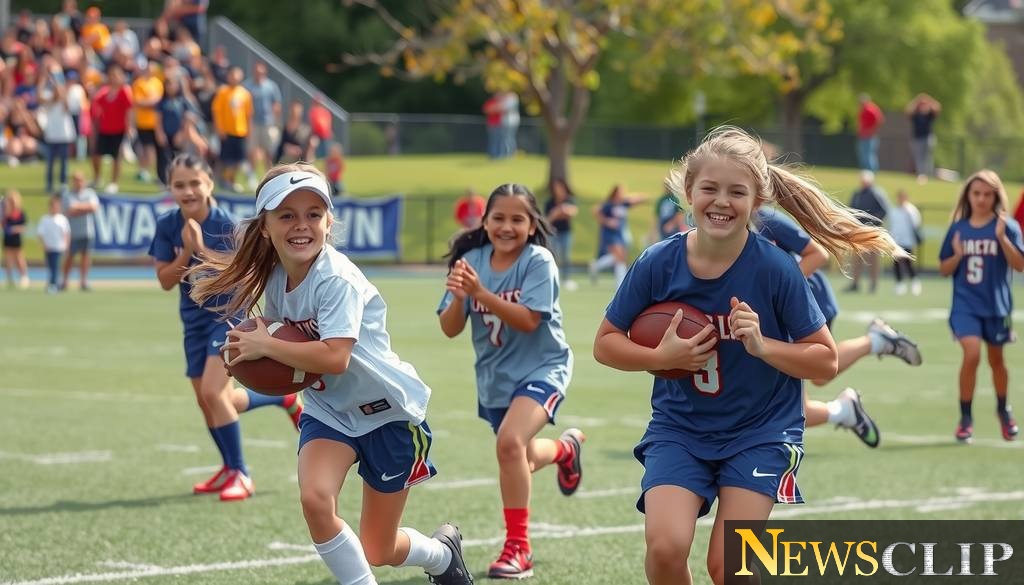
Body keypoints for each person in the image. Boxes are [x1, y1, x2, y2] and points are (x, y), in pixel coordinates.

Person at [592, 127, 904, 585]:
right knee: (664, 549)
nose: (721, 202)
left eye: (737, 192)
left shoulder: (775, 269)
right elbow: (605, 343)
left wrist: (763, 346)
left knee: (730, 566)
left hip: (760, 431)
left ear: (757, 201)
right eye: (710, 189)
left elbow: (825, 360)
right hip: (681, 428)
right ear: (688, 193)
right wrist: (659, 356)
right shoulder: (658, 262)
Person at [188, 162, 473, 585]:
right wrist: (245, 357)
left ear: (329, 221)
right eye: (287, 215)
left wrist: (264, 346)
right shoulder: (271, 275)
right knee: (316, 499)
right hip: (330, 412)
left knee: (380, 548)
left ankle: (441, 555)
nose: (301, 225)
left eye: (313, 214)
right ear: (264, 226)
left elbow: (336, 357)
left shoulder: (336, 279)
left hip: (388, 415)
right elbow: (281, 349)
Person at [438, 183, 585, 580]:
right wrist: (458, 298)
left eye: (517, 218)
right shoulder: (470, 261)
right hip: (496, 378)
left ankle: (519, 548)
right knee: (514, 453)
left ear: (532, 223)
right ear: (484, 222)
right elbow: (450, 328)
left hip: (544, 369)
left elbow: (528, 319)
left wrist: (480, 291)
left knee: (508, 444)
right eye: (498, 217)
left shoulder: (538, 261)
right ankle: (564, 451)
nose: (507, 226)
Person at [148, 154, 304, 501]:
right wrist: (185, 250)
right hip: (193, 321)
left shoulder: (230, 226)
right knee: (212, 401)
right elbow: (164, 280)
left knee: (212, 394)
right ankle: (281, 398)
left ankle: (241, 473)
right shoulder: (167, 225)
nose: (188, 191)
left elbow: (238, 276)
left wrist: (199, 248)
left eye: (195, 183)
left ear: (210, 184)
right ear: (170, 188)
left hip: (228, 316)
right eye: (179, 185)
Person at [757, 206, 922, 449]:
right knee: (808, 388)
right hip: (777, 311)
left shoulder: (763, 218)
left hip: (806, 301)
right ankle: (846, 407)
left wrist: (775, 292)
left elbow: (818, 254)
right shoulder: (712, 229)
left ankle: (873, 346)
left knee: (803, 388)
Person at [939, 169, 1024, 443]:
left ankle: (1003, 409)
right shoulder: (958, 228)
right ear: (968, 195)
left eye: (988, 194)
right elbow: (944, 268)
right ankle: (966, 417)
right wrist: (958, 256)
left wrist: (1001, 238)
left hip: (997, 307)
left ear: (996, 196)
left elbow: (1019, 265)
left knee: (996, 361)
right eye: (976, 193)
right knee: (972, 353)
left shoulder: (1007, 226)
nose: (981, 199)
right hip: (965, 306)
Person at [589, 184, 647, 287]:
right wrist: (607, 221)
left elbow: (638, 199)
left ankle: (596, 266)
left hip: (620, 235)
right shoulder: (609, 205)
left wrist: (632, 197)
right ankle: (620, 284)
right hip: (610, 234)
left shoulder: (623, 204)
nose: (622, 194)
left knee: (620, 257)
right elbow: (595, 211)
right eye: (620, 192)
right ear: (615, 193)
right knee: (619, 257)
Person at [90, 65, 133, 194]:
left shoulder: (125, 91)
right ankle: (97, 178)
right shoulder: (105, 91)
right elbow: (95, 101)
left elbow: (129, 110)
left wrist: (129, 127)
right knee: (96, 154)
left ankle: (114, 182)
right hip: (104, 128)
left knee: (116, 157)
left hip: (119, 129)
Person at [846, 171, 889, 293]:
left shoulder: (877, 193)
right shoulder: (857, 194)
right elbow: (851, 210)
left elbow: (884, 211)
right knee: (857, 258)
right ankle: (855, 284)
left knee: (873, 259)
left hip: (872, 231)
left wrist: (872, 222)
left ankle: (873, 284)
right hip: (858, 230)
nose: (863, 182)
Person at [211, 66, 253, 192]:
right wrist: (219, 129)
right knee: (224, 158)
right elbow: (216, 112)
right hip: (226, 132)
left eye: (237, 75)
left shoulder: (245, 93)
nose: (234, 77)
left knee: (238, 159)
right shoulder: (223, 92)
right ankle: (218, 180)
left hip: (240, 131)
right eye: (232, 75)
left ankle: (231, 181)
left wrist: (249, 130)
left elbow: (248, 114)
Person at [61, 171, 99, 291]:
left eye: (80, 180)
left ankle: (83, 281)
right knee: (69, 257)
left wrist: (78, 207)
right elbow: (70, 210)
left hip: (87, 231)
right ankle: (65, 281)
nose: (78, 183)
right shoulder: (68, 194)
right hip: (72, 232)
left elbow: (93, 207)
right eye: (76, 180)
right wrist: (85, 208)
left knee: (86, 257)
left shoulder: (90, 193)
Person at [544, 178, 579, 290]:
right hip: (553, 232)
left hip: (566, 232)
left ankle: (567, 279)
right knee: (554, 256)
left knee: (566, 256)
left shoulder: (569, 200)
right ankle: (553, 277)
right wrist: (558, 212)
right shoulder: (550, 202)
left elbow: (572, 212)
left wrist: (561, 211)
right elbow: (547, 219)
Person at [887, 189, 923, 295]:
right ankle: (899, 284)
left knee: (908, 262)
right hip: (896, 241)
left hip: (908, 241)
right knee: (896, 263)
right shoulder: (894, 211)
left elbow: (916, 224)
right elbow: (891, 225)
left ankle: (914, 282)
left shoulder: (911, 210)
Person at [37, 194, 71, 294]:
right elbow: (40, 234)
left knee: (56, 266)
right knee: (50, 266)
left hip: (58, 247)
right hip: (49, 247)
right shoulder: (45, 219)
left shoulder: (62, 219)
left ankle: (53, 284)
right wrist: (43, 244)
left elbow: (66, 233)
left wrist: (66, 245)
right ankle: (52, 283)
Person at [906, 93, 941, 183]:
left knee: (927, 157)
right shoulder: (915, 115)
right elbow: (908, 109)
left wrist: (928, 100)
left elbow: (938, 107)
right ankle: (921, 174)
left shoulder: (929, 114)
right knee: (918, 157)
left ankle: (927, 174)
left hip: (927, 137)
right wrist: (917, 100)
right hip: (917, 138)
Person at [2, 190, 29, 289]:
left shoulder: (20, 213)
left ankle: (24, 277)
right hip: (7, 239)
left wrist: (15, 229)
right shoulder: (5, 214)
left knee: (19, 259)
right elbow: (3, 225)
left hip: (16, 239)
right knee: (8, 260)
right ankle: (9, 279)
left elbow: (24, 226)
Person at [856, 93, 884, 173]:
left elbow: (879, 120)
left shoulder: (871, 109)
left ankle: (872, 172)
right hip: (863, 135)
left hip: (870, 136)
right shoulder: (863, 109)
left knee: (869, 155)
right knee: (863, 155)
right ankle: (865, 172)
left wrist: (871, 130)